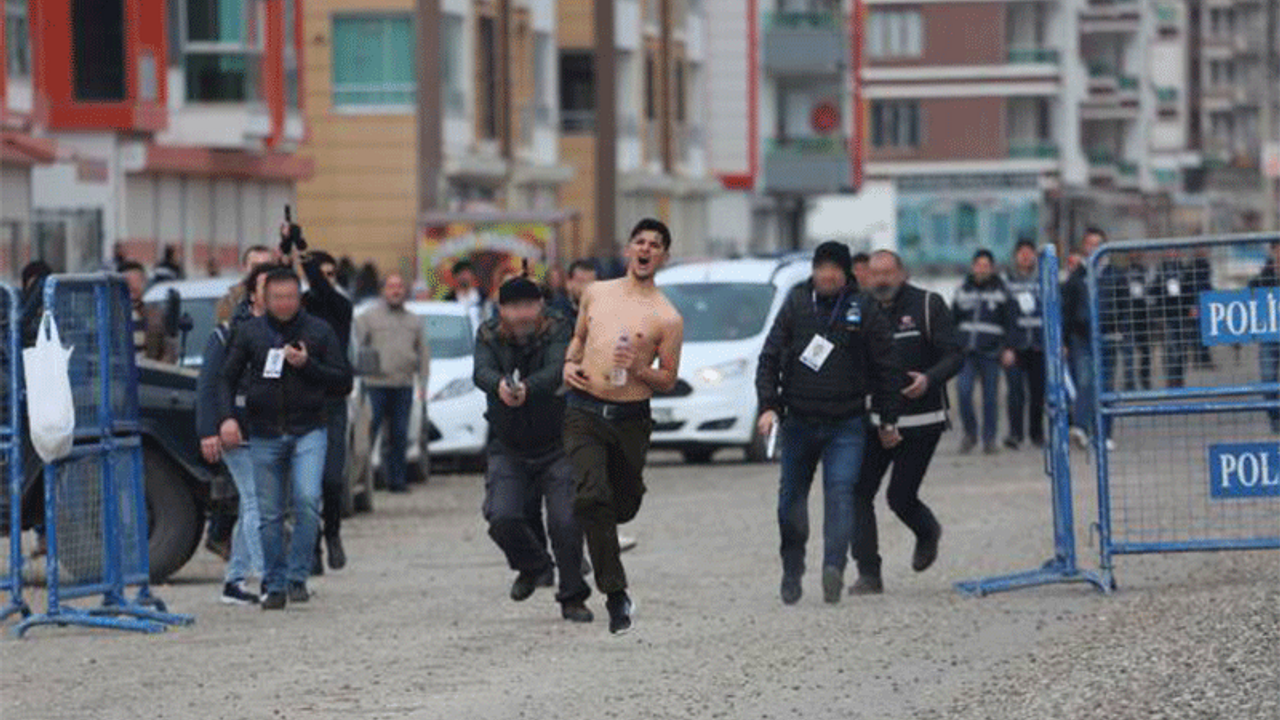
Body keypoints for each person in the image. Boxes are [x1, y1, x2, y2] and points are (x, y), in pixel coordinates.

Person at [756, 241, 902, 606]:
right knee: (791, 501)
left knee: (840, 494)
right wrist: (767, 406)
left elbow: (887, 368)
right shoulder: (796, 304)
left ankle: (833, 568)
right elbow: (770, 357)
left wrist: (888, 419)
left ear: (846, 273)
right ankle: (792, 570)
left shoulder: (863, 308)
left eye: (835, 268)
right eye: (822, 267)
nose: (828, 274)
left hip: (847, 423)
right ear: (814, 271)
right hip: (799, 421)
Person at [562, 218, 684, 634]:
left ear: (663, 256)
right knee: (592, 497)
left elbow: (668, 379)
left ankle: (619, 504)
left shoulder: (667, 316)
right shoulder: (597, 293)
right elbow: (578, 340)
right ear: (629, 249)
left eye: (655, 244)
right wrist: (568, 365)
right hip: (585, 412)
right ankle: (616, 595)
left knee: (622, 504)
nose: (646, 249)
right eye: (640, 242)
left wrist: (639, 368)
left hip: (631, 419)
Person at [217, 268, 352, 609]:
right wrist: (227, 418)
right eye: (277, 297)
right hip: (263, 433)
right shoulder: (249, 333)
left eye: (290, 297)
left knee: (307, 501)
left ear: (300, 297)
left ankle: (297, 577)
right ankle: (273, 583)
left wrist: (308, 365)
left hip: (309, 429)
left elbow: (343, 381)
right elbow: (225, 379)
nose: (284, 304)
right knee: (269, 513)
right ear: (264, 298)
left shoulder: (319, 331)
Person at [474, 276, 592, 623]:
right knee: (501, 517)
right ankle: (535, 566)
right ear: (501, 310)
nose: (522, 314)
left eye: (528, 305)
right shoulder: (487, 334)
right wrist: (498, 385)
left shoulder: (558, 329)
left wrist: (527, 388)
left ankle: (573, 597)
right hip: (507, 445)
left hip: (558, 443)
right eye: (514, 307)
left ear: (539, 306)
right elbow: (480, 371)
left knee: (565, 522)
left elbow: (559, 369)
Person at [850, 250, 961, 594]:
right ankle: (869, 574)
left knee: (900, 496)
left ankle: (927, 531)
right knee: (857, 493)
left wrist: (929, 379)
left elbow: (955, 354)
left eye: (887, 273)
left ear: (902, 274)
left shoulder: (929, 305)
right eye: (875, 274)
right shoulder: (858, 311)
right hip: (876, 419)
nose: (881, 280)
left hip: (921, 421)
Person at [197, 264, 273, 605]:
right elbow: (208, 384)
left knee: (251, 505)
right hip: (235, 432)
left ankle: (235, 580)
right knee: (257, 500)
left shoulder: (278, 334)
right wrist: (208, 428)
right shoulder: (226, 335)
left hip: (263, 429)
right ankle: (269, 576)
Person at [298, 247, 354, 574]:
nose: (327, 281)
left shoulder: (340, 307)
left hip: (333, 401)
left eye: (333, 275)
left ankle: (332, 532)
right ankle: (313, 546)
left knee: (332, 479)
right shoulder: (299, 309)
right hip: (305, 402)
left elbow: (322, 289)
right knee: (308, 486)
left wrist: (303, 251)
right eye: (324, 274)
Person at [354, 274, 431, 493]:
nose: (395, 291)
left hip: (403, 385)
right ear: (383, 290)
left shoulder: (414, 320)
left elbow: (423, 352)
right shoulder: (368, 317)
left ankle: (397, 480)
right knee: (368, 433)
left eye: (399, 287)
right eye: (391, 287)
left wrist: (423, 382)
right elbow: (357, 346)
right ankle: (364, 479)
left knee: (399, 434)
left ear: (404, 291)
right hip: (374, 385)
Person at [952, 249, 1015, 454]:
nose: (981, 269)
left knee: (990, 398)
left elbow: (1010, 322)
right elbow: (952, 320)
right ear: (973, 267)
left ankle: (989, 440)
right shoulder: (963, 290)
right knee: (963, 393)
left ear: (992, 268)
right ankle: (970, 433)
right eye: (978, 265)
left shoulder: (1001, 291)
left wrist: (1008, 348)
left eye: (986, 265)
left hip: (991, 352)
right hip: (966, 353)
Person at [1062, 229, 1105, 449]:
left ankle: (1104, 433)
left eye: (1098, 244)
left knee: (1105, 385)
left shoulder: (1112, 275)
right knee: (1085, 382)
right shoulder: (1076, 276)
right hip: (1081, 337)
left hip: (1107, 336)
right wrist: (1065, 340)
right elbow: (1066, 309)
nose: (1093, 248)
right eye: (1090, 244)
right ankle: (1080, 427)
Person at [1002, 239, 1045, 450]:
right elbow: (1002, 317)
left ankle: (1036, 433)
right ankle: (1015, 434)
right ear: (1016, 256)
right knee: (1015, 393)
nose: (1026, 256)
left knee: (1038, 394)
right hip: (1015, 347)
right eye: (1022, 253)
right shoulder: (1006, 282)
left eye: (1030, 252)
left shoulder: (1044, 279)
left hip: (1039, 346)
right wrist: (1006, 347)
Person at [1250, 243, 1280, 433]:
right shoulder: (1263, 277)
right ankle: (1275, 418)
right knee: (1268, 379)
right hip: (1269, 337)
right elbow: (1247, 298)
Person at [120, 261, 176, 362]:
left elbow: (169, 350)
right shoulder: (111, 316)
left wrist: (158, 370)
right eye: (128, 282)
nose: (133, 286)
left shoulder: (156, 316)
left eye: (137, 280)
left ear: (144, 282)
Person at [551, 259, 598, 326]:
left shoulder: (599, 308)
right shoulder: (557, 310)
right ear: (568, 282)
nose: (586, 287)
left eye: (591, 283)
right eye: (581, 282)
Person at [446, 259, 487, 328]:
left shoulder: (483, 297)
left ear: (473, 276)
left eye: (467, 273)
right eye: (461, 274)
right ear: (455, 277)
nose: (464, 277)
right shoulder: (449, 300)